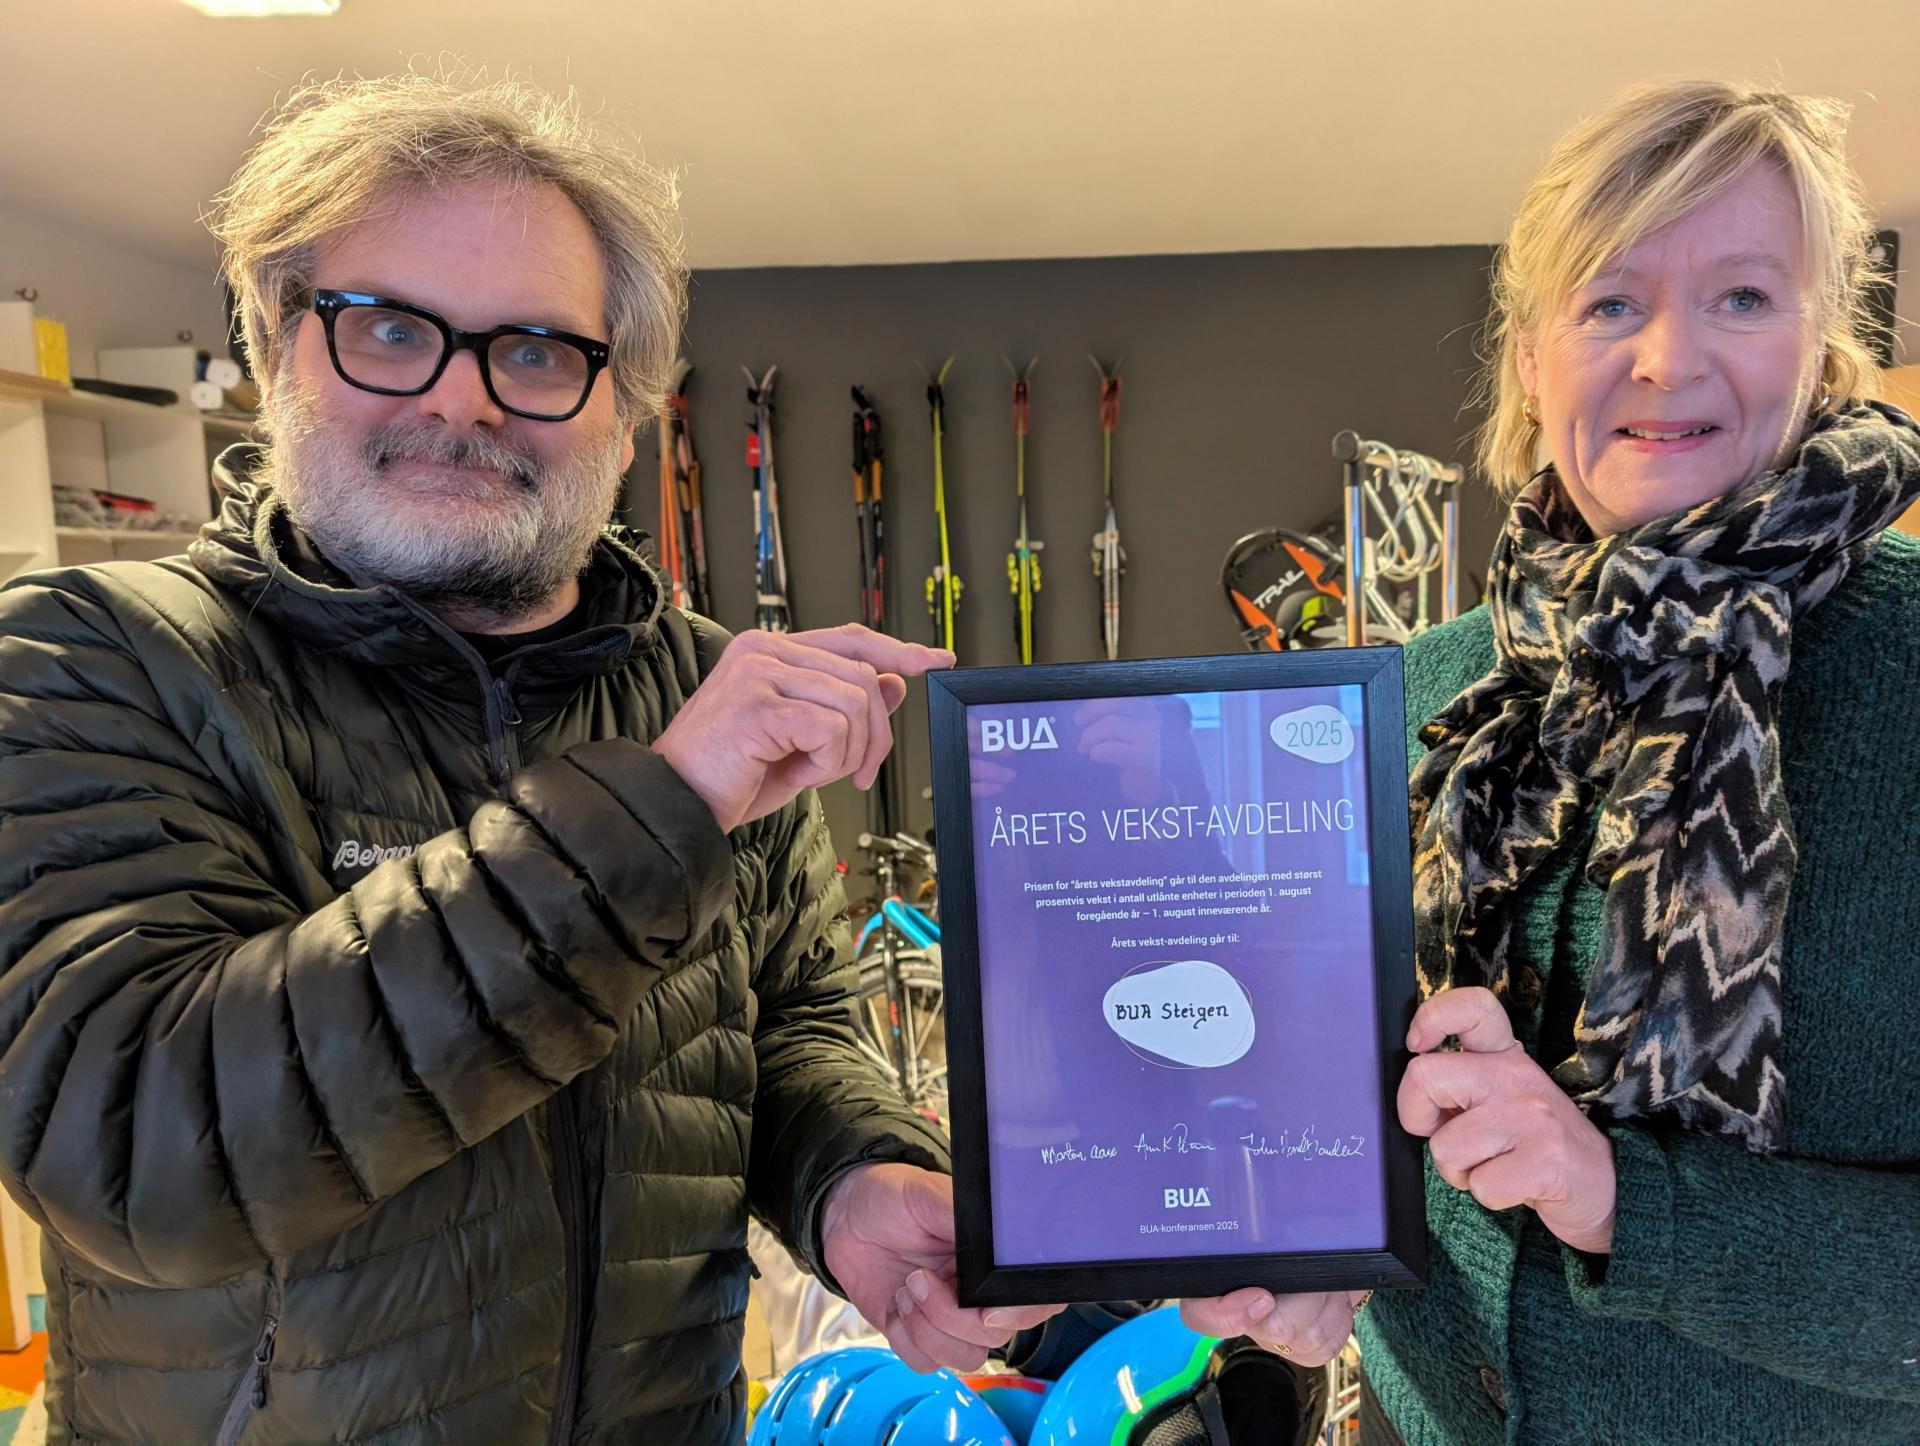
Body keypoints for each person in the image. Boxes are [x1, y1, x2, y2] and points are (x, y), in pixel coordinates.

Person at [0, 74, 1057, 1443]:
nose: (464, 399)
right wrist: (658, 807)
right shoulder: (99, 657)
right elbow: (141, 1149)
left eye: (539, 351)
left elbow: (786, 1019)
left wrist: (851, 1178)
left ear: (625, 404)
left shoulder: (698, 683)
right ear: (276, 344)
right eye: (390, 328)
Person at [1184, 79, 1920, 1443]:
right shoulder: (1421, 694)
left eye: (1742, 296)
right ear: (1530, 359)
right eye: (1610, 301)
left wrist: (1630, 1202)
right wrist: (1311, 1259)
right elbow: (1348, 1120)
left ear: (1824, 344)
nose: (1668, 358)